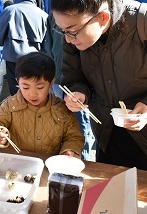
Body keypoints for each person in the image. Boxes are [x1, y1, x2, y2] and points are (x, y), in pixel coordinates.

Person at [51, 0, 147, 171]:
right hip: (107, 135)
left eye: (72, 31)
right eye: (62, 31)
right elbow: (72, 76)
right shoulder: (71, 36)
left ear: (103, 18)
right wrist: (78, 92)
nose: (67, 39)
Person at [0, 52, 84, 157]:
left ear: (51, 83)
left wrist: (70, 150)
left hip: (47, 166)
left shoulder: (61, 108)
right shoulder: (10, 106)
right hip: (16, 164)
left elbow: (74, 137)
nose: (32, 94)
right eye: (25, 87)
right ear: (17, 81)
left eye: (40, 87)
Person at [44, 12, 96, 161]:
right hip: (59, 74)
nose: (67, 37)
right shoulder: (54, 14)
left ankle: (82, 159)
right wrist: (50, 70)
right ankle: (68, 155)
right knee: (63, 118)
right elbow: (48, 43)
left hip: (81, 78)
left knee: (81, 121)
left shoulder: (83, 12)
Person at [0, 0, 48, 96]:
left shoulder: (9, 11)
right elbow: (46, 44)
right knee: (33, 87)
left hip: (13, 56)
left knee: (16, 87)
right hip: (35, 57)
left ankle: (18, 108)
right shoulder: (43, 15)